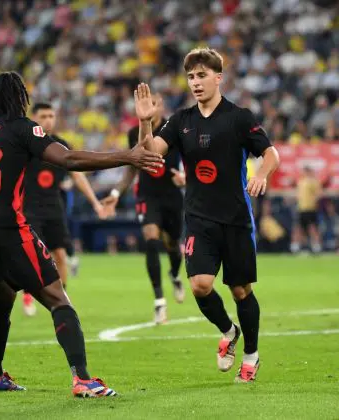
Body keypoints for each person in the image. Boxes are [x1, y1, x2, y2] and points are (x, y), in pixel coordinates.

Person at [0, 72, 163, 396]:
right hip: (6, 227)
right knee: (57, 297)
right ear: (16, 99)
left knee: (4, 293)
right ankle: (83, 379)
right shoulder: (21, 128)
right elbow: (68, 158)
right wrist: (126, 155)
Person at [131, 48, 280, 383]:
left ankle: (252, 355)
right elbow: (151, 152)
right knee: (200, 285)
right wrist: (144, 123)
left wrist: (261, 173)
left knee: (241, 290)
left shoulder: (240, 117)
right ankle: (229, 331)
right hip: (198, 217)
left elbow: (271, 153)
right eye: (190, 77)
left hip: (236, 218)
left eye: (201, 75)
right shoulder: (181, 121)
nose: (195, 82)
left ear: (218, 78)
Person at [102, 92, 186, 324]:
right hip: (148, 195)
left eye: (155, 103)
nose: (151, 106)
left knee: (172, 245)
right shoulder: (134, 133)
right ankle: (159, 301)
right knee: (151, 239)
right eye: (147, 103)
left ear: (161, 107)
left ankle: (175, 275)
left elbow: (190, 157)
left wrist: (186, 176)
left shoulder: (174, 128)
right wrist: (117, 193)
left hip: (171, 195)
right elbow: (132, 165)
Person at [21, 102, 108, 316]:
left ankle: (63, 301)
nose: (48, 120)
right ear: (33, 118)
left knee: (60, 254)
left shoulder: (60, 145)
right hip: (29, 208)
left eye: (51, 115)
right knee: (35, 255)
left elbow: (77, 175)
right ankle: (27, 295)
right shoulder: (24, 144)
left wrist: (95, 202)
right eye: (43, 116)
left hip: (53, 208)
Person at [291, 166, 322, 254]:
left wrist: (313, 201)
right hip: (301, 208)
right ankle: (296, 247)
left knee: (313, 228)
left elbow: (319, 193)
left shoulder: (313, 182)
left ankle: (316, 246)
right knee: (299, 228)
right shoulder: (301, 182)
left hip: (310, 208)